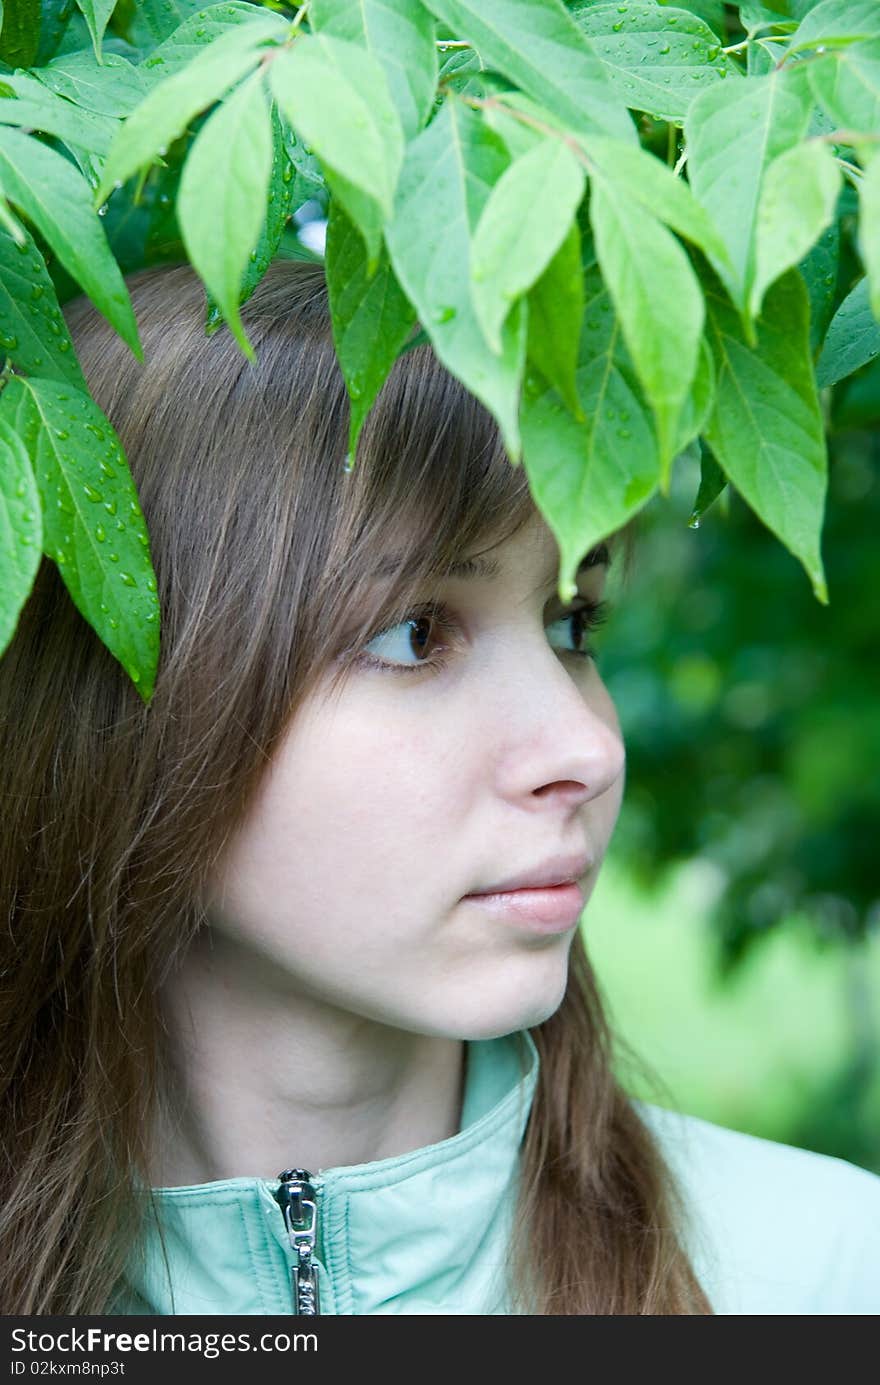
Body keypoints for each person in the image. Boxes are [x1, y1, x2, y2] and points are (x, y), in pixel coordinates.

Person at [1, 259, 878, 1317]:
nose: (585, 746)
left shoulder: (819, 1277)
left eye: (573, 624)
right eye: (415, 635)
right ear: (121, 705)